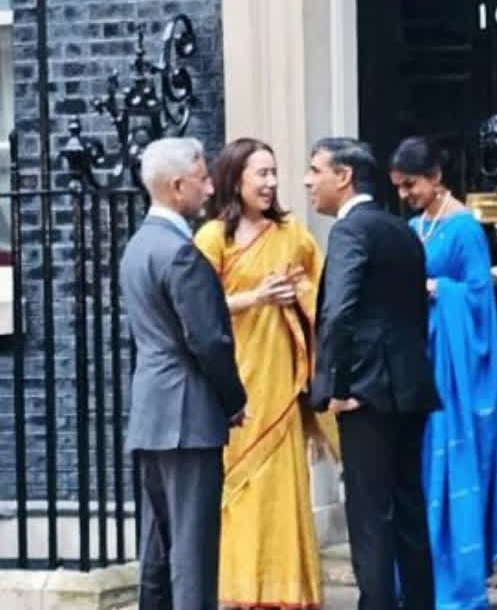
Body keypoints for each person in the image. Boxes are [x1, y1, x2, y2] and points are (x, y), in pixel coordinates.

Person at [193, 138, 340, 609]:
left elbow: (325, 297)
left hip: (281, 380)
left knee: (280, 488)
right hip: (234, 384)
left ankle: (285, 592)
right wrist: (255, 297)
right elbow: (199, 309)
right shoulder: (212, 238)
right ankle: (238, 592)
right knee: (238, 487)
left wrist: (298, 293)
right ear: (236, 179)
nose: (272, 183)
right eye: (262, 174)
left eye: (274, 173)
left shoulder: (293, 233)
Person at [304, 137, 440, 610]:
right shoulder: (402, 230)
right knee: (408, 511)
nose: (307, 180)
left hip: (367, 393)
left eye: (315, 169)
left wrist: (334, 388)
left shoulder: (349, 232)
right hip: (410, 387)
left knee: (369, 518)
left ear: (344, 177)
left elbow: (339, 314)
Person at [389, 136, 497, 609]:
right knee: (418, 472)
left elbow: (480, 296)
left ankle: (457, 586)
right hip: (421, 362)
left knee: (453, 468)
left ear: (436, 177)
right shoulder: (414, 226)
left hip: (456, 374)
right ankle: (419, 580)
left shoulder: (464, 229)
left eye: (413, 184)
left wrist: (438, 290)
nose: (406, 194)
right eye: (401, 186)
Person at [120, 137, 248, 610]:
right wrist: (234, 400)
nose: (211, 187)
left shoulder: (138, 247)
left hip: (152, 413)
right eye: (202, 177)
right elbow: (209, 340)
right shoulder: (180, 252)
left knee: (157, 551)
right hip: (188, 418)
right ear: (177, 187)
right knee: (192, 554)